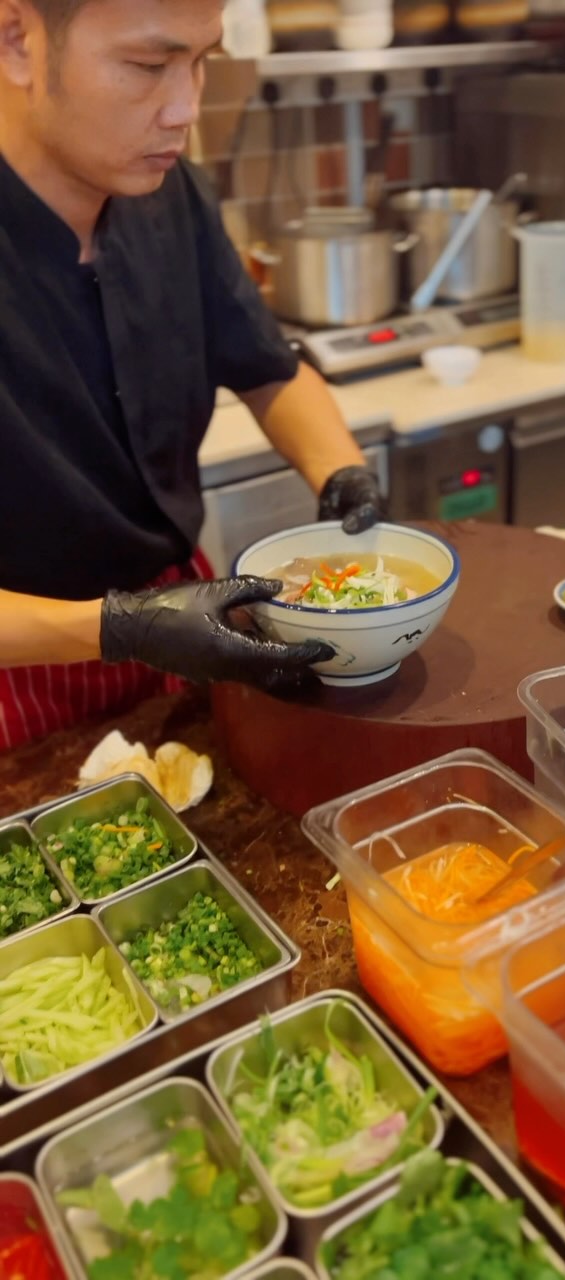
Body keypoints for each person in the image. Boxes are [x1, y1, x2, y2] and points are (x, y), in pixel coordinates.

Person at [0, 0, 384, 748]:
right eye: (148, 66)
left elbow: (268, 367)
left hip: (177, 618)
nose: (186, 109)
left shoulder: (170, 194)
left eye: (202, 60)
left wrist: (343, 474)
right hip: (23, 675)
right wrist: (115, 628)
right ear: (18, 39)